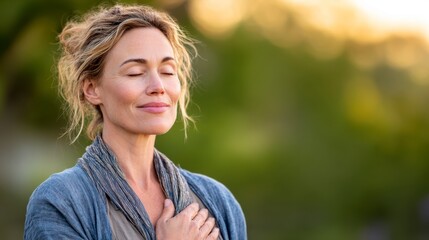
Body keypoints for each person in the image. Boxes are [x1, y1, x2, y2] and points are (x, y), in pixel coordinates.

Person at [24, 4, 246, 240]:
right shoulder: (61, 202)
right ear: (92, 89)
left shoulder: (218, 202)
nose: (158, 87)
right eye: (135, 73)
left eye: (168, 71)